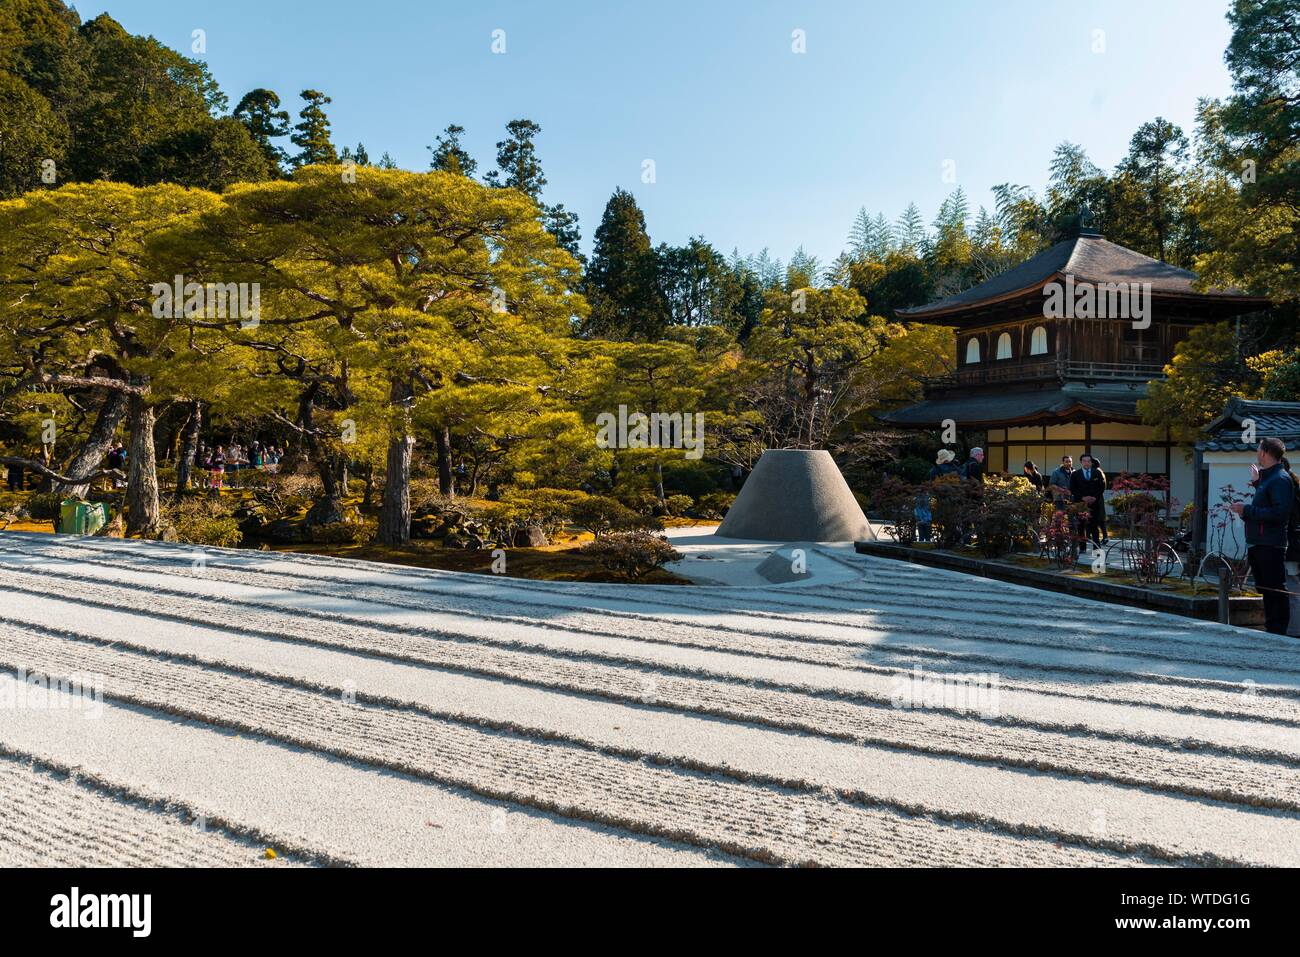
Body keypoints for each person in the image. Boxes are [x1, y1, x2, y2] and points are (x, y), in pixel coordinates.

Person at [1230, 437, 1294, 635]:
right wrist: (1245, 509)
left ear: (1265, 453)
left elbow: (1280, 513)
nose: (1257, 452)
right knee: (1266, 589)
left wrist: (1247, 510)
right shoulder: (1269, 479)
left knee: (1275, 589)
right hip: (1259, 542)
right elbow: (1265, 507)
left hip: (1271, 543)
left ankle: (1278, 630)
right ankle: (1272, 628)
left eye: (1259, 449)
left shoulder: (1280, 479)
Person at [1069, 453, 1107, 549]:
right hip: (1080, 503)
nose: (1087, 463)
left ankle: (1096, 547)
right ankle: (1082, 547)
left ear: (1091, 462)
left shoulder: (1097, 473)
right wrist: (1082, 497)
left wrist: (1094, 497)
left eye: (1089, 461)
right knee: (1080, 526)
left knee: (1094, 526)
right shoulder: (1075, 474)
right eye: (1084, 461)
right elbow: (1072, 489)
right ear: (1081, 462)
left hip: (1094, 503)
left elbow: (1101, 487)